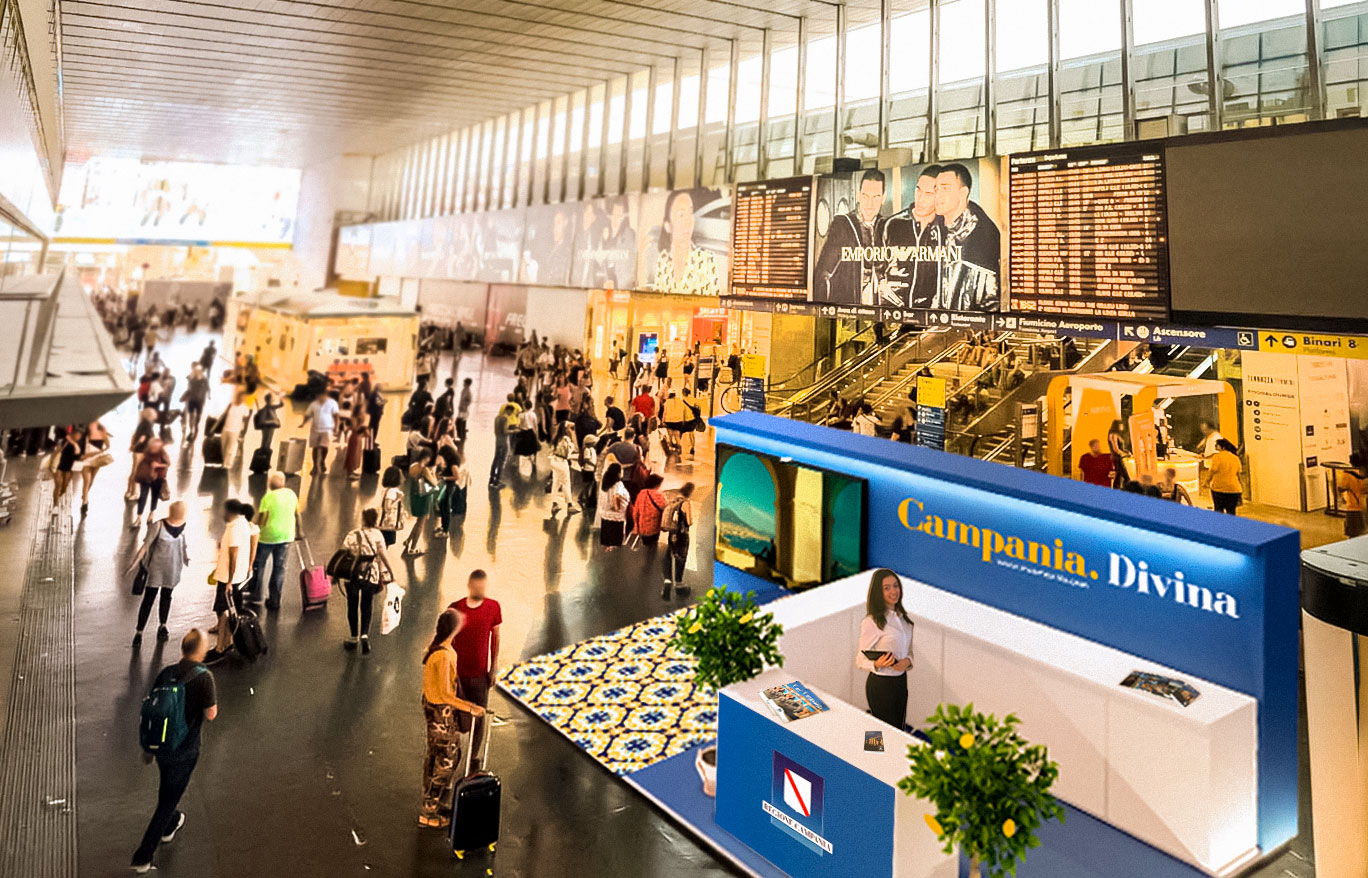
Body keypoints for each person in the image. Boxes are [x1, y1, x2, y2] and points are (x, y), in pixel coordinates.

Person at [130, 629, 217, 874]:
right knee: (166, 802)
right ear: (200, 651)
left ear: (183, 649)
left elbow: (152, 706)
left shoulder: (167, 673)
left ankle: (171, 825)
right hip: (185, 750)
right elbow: (211, 714)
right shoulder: (204, 677)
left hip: (162, 748)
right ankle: (143, 855)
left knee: (168, 789)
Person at [420, 609, 484, 829]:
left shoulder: (435, 648)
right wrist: (471, 707)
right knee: (447, 759)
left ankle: (431, 803)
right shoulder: (445, 655)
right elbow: (447, 693)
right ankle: (429, 810)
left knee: (434, 755)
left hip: (431, 708)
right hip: (441, 713)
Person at [447, 570, 502, 767]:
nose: (480, 589)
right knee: (456, 718)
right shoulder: (455, 609)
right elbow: (447, 639)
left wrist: (493, 666)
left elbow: (495, 638)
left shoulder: (493, 607)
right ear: (470, 585)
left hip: (480, 675)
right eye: (477, 585)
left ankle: (473, 759)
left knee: (479, 718)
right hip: (457, 675)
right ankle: (453, 754)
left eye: (483, 586)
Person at [929, 163, 1001, 312]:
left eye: (945, 189)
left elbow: (990, 302)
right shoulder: (932, 229)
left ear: (963, 193)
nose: (938, 195)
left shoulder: (983, 236)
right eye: (936, 189)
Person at [814, 168, 888, 305]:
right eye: (865, 196)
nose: (870, 204)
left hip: (881, 309)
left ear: (883, 198)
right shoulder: (843, 225)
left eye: (876, 197)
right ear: (859, 196)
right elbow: (824, 272)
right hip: (850, 307)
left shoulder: (887, 226)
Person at [856, 569, 915, 731]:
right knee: (878, 732)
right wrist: (877, 663)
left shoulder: (905, 621)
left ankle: (892, 757)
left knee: (897, 731)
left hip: (900, 682)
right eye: (886, 588)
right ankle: (870, 756)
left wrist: (907, 662)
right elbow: (859, 660)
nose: (893, 591)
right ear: (878, 592)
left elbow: (909, 653)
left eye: (895, 586)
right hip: (881, 685)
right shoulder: (872, 622)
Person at [880, 165, 944, 308]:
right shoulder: (893, 224)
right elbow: (876, 269)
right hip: (891, 310)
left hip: (930, 316)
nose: (920, 199)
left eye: (928, 194)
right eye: (918, 190)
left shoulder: (944, 229)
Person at [129, 500, 190, 646]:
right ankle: (139, 631)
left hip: (173, 568)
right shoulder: (159, 525)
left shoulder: (183, 526)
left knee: (166, 597)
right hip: (156, 569)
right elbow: (146, 545)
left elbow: (183, 545)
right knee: (149, 599)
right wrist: (135, 563)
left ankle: (162, 625)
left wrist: (186, 558)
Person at [341, 507, 395, 653]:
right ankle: (364, 634)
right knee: (367, 605)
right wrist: (391, 574)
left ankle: (353, 637)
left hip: (352, 575)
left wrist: (336, 575)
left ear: (363, 519)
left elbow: (343, 554)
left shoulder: (352, 535)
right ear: (375, 520)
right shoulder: (378, 535)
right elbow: (384, 555)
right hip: (370, 575)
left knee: (352, 605)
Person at [207, 500, 252, 661]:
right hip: (239, 576)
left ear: (230, 511)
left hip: (228, 578)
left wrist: (229, 582)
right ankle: (229, 641)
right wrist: (249, 567)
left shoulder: (234, 529)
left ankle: (220, 647)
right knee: (233, 611)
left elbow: (234, 554)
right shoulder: (244, 524)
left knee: (223, 611)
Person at [250, 472, 302, 610]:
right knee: (279, 569)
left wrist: (252, 527)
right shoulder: (291, 494)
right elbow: (297, 514)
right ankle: (275, 600)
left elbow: (262, 518)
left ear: (270, 483)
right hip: (286, 537)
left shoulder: (268, 497)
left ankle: (255, 595)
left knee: (259, 565)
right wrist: (300, 531)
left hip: (267, 537)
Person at [403, 450, 439, 556]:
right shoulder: (425, 470)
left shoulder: (413, 466)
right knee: (421, 524)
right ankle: (413, 548)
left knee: (418, 521)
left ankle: (408, 541)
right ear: (426, 458)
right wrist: (433, 472)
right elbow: (435, 483)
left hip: (415, 496)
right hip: (425, 498)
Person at [662, 482, 695, 597]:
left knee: (669, 554)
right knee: (680, 558)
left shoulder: (674, 500)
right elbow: (690, 521)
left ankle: (667, 581)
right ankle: (679, 585)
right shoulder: (686, 503)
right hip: (682, 535)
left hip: (672, 533)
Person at [130, 436, 171, 530]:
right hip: (146, 477)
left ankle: (151, 514)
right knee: (142, 497)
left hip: (158, 477)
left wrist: (158, 465)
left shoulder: (162, 453)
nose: (154, 449)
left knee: (154, 496)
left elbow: (168, 464)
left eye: (156, 447)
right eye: (152, 447)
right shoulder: (147, 452)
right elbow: (136, 450)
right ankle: (138, 517)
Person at [433, 446, 470, 537]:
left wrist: (444, 477)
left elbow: (456, 477)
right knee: (443, 506)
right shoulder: (451, 462)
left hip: (448, 487)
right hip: (447, 486)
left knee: (445, 507)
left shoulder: (453, 464)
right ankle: (443, 527)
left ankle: (445, 531)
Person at [301, 389, 339, 475]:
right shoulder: (314, 404)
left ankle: (322, 462)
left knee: (324, 446)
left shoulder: (332, 403)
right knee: (315, 447)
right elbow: (308, 414)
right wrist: (303, 423)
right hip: (315, 429)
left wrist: (336, 427)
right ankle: (315, 466)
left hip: (327, 429)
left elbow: (336, 416)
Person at [547, 421, 580, 519]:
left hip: (554, 461)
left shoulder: (557, 439)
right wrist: (573, 436)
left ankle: (554, 504)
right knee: (566, 483)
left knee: (556, 483)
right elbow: (571, 452)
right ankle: (570, 505)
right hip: (562, 462)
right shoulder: (566, 439)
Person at [126, 408, 160, 500]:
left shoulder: (142, 423)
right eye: (154, 414)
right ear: (150, 415)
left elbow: (138, 436)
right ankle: (134, 493)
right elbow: (145, 438)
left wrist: (133, 446)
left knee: (134, 471)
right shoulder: (147, 424)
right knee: (136, 472)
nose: (155, 416)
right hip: (141, 451)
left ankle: (129, 491)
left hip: (137, 451)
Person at [79, 419, 111, 515]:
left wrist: (100, 451)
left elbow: (108, 445)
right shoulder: (86, 433)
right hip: (89, 459)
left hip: (95, 458)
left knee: (91, 480)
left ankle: (85, 497)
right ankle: (85, 502)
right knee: (87, 481)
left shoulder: (100, 431)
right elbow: (107, 445)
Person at [597, 463, 629, 551]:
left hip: (605, 513)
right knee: (614, 543)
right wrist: (616, 507)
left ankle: (607, 550)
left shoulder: (606, 481)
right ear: (618, 473)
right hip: (616, 515)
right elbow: (617, 496)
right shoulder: (618, 484)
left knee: (607, 539)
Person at [631, 474, 668, 549]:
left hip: (642, 526)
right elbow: (665, 509)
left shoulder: (641, 493)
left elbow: (635, 511)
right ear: (656, 484)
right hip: (653, 527)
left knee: (645, 545)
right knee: (652, 547)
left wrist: (636, 527)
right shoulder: (658, 495)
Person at [1208, 438, 1243, 515]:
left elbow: (1212, 471)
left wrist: (1207, 482)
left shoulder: (1217, 457)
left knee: (1219, 510)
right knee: (1231, 512)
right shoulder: (1235, 458)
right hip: (1234, 489)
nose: (1215, 446)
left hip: (1219, 488)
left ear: (1223, 447)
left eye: (1217, 445)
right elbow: (1238, 474)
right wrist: (1241, 487)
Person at [217, 389, 251, 469]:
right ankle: (222, 463)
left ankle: (226, 465)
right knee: (222, 447)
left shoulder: (245, 408)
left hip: (235, 430)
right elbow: (223, 415)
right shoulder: (231, 405)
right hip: (226, 429)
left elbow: (245, 420)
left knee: (230, 448)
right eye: (239, 396)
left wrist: (244, 431)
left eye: (242, 397)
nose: (241, 398)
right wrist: (214, 426)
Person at [377, 466, 407, 547]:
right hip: (388, 523)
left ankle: (380, 558)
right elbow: (387, 507)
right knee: (385, 543)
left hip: (386, 523)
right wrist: (398, 499)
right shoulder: (392, 491)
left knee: (384, 543)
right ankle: (380, 559)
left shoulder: (387, 489)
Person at [1339, 452, 1367, 538]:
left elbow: (1341, 487)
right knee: (1362, 533)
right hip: (1363, 507)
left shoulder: (1347, 474)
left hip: (1352, 507)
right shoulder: (1364, 474)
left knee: (1352, 534)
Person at [180, 363, 209, 442]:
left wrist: (206, 398)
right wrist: (184, 396)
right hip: (192, 400)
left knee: (197, 419)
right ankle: (191, 431)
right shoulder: (191, 379)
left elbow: (206, 389)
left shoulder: (204, 379)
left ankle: (195, 429)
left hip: (199, 401)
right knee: (191, 417)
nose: (195, 372)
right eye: (194, 371)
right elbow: (189, 389)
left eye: (197, 371)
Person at [253, 391, 283, 455]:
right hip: (267, 427)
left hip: (271, 426)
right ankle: (263, 455)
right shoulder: (266, 409)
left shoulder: (272, 407)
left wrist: (280, 397)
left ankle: (265, 454)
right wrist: (273, 422)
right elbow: (262, 421)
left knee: (268, 441)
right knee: (265, 441)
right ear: (269, 400)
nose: (273, 400)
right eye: (272, 399)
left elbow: (281, 404)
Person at [1107, 420, 1131, 489]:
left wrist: (1127, 452)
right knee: (1125, 476)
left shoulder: (1117, 434)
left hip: (1118, 457)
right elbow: (1115, 448)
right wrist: (1123, 454)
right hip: (1117, 457)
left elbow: (1121, 448)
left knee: (1119, 475)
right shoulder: (1113, 434)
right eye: (1121, 425)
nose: (1122, 426)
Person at [456, 377, 473, 443]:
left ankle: (461, 436)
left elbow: (469, 401)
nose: (463, 384)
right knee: (461, 422)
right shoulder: (464, 390)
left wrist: (464, 406)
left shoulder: (468, 392)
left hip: (464, 409)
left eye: (464, 382)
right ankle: (462, 435)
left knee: (460, 422)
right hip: (461, 408)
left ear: (466, 383)